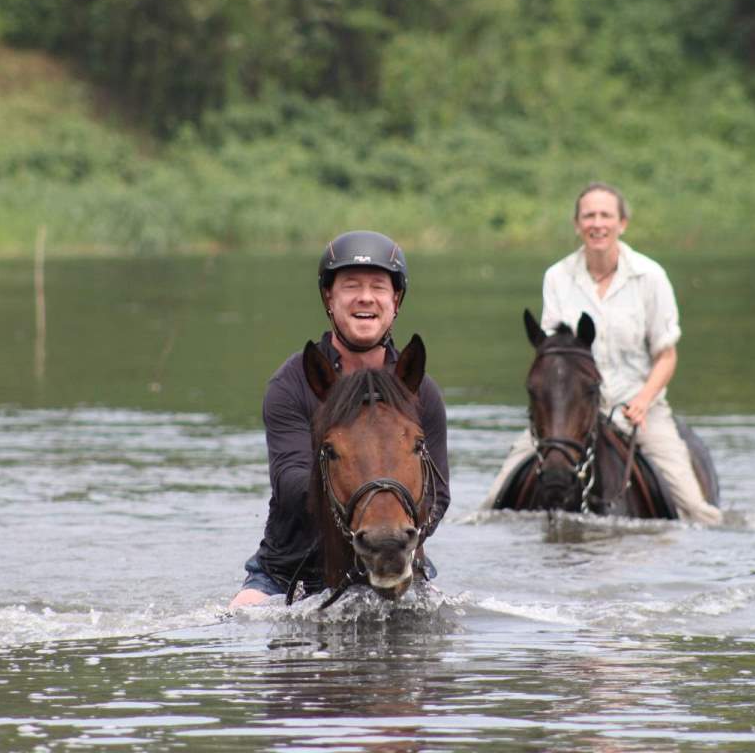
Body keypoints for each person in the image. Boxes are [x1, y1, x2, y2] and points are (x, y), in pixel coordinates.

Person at [229, 231, 450, 609]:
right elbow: (289, 482)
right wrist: (368, 500)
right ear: (329, 299)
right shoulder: (292, 383)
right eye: (351, 286)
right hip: (293, 570)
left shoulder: (420, 391)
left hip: (397, 556)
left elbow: (438, 493)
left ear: (395, 301)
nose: (365, 296)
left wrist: (395, 539)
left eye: (378, 287)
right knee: (240, 618)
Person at [485, 183, 722, 525]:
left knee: (696, 510)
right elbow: (554, 354)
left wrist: (643, 400)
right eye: (589, 216)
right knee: (494, 503)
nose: (597, 223)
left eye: (606, 215)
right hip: (571, 413)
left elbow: (666, 355)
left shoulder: (650, 277)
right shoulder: (557, 277)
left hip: (637, 407)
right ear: (577, 225)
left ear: (622, 223)